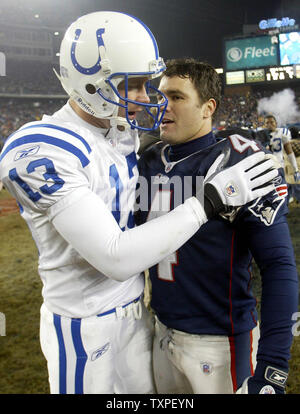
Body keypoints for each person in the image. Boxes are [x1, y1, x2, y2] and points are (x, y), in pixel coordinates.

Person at [0, 13, 278, 395]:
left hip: (139, 317)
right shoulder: (41, 148)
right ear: (91, 85)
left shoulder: (123, 134)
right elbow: (116, 258)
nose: (146, 99)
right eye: (131, 86)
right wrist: (210, 200)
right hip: (84, 325)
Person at [136, 58, 298, 394]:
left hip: (220, 344)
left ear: (208, 107)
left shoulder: (239, 160)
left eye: (177, 97)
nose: (162, 104)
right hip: (160, 332)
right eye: (161, 95)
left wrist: (273, 366)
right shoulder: (148, 159)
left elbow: (279, 266)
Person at [264, 114, 300, 187]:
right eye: (267, 123)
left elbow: (289, 152)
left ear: (276, 123)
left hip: (279, 166)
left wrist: (295, 169)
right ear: (264, 125)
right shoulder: (261, 135)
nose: (269, 124)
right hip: (266, 168)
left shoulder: (282, 132)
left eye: (272, 122)